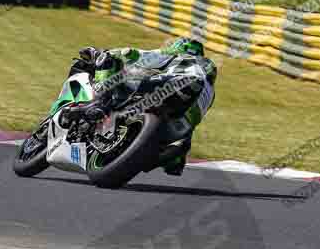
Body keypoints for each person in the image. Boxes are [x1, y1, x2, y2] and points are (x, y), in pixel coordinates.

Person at [66, 37, 217, 176]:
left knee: (109, 60)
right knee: (175, 155)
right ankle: (170, 158)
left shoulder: (181, 57)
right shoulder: (210, 92)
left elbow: (132, 54)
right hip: (177, 131)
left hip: (176, 87)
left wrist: (101, 54)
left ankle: (99, 102)